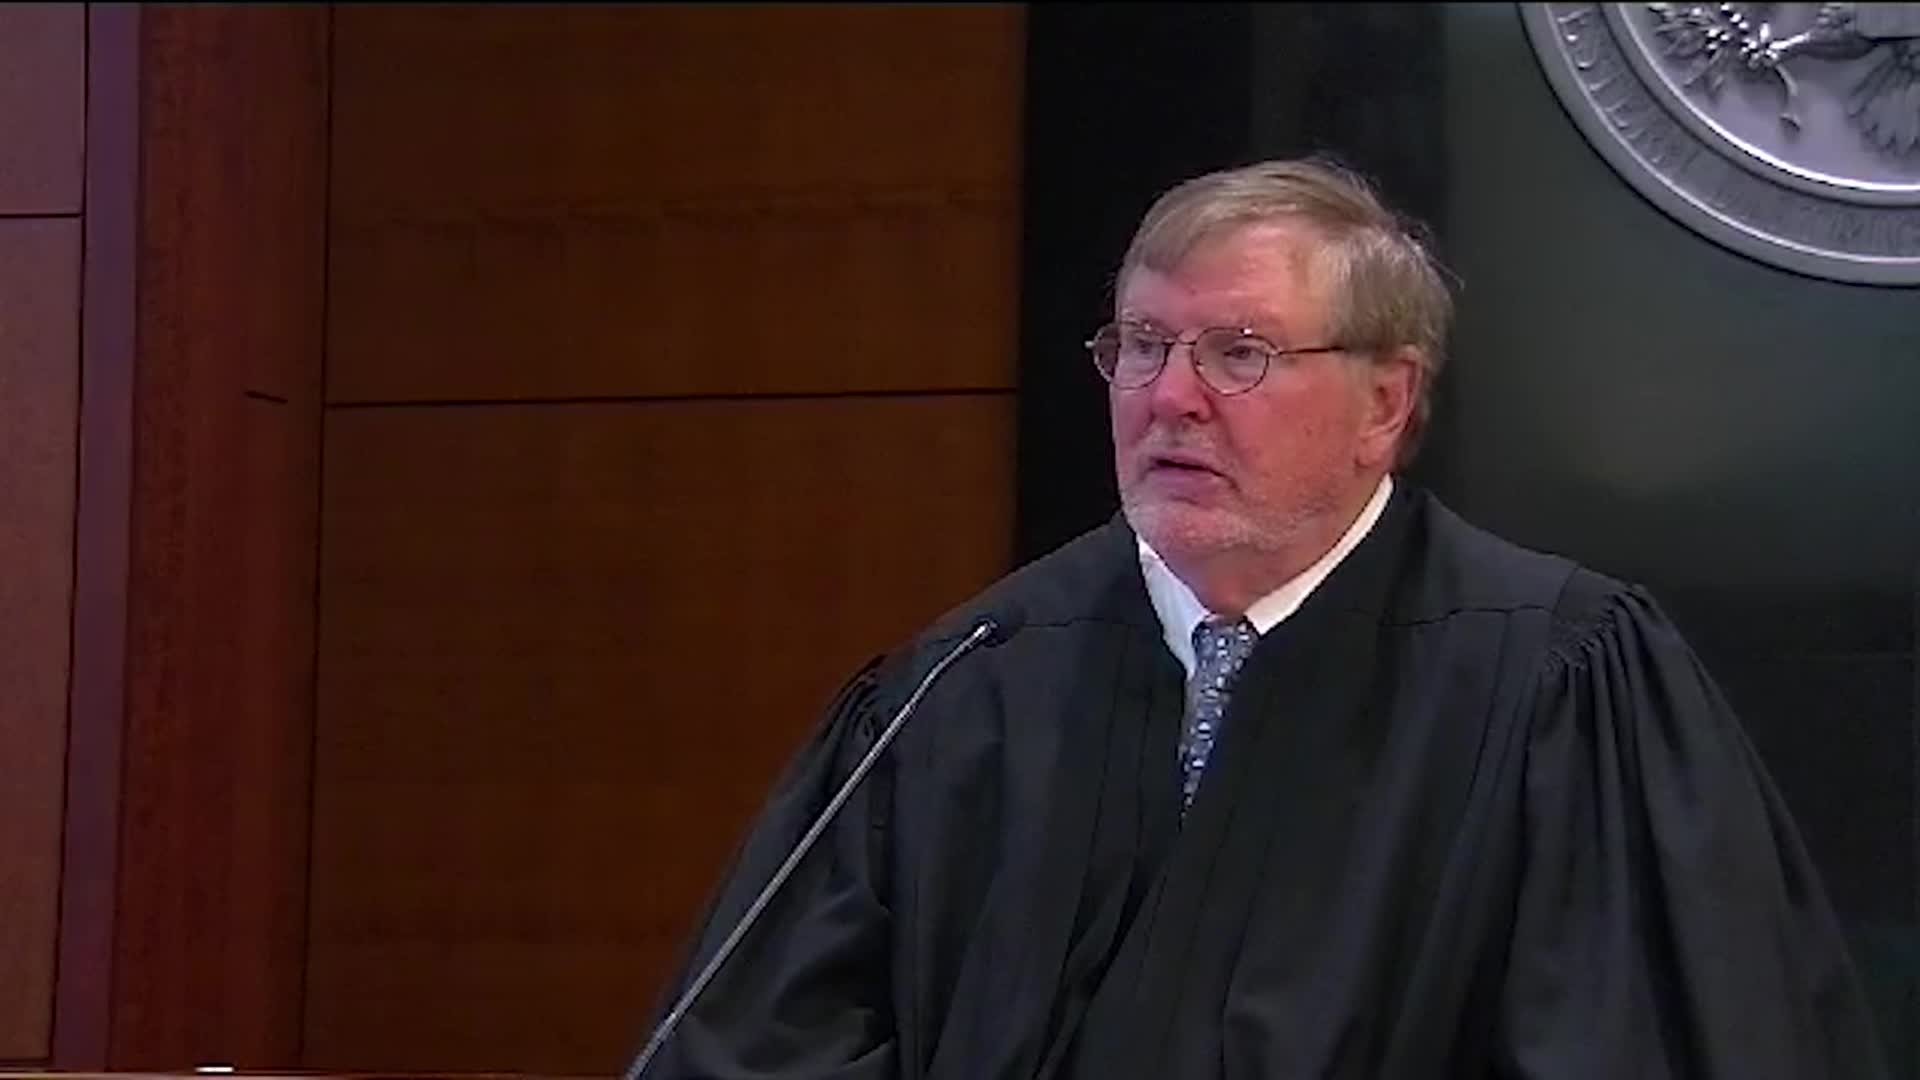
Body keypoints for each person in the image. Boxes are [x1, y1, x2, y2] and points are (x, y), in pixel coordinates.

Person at [642, 158, 1887, 1078]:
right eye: (1142, 346)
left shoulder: (1556, 684)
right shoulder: (962, 688)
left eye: (1238, 353)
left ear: (1385, 403)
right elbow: (763, 1044)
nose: (1171, 397)